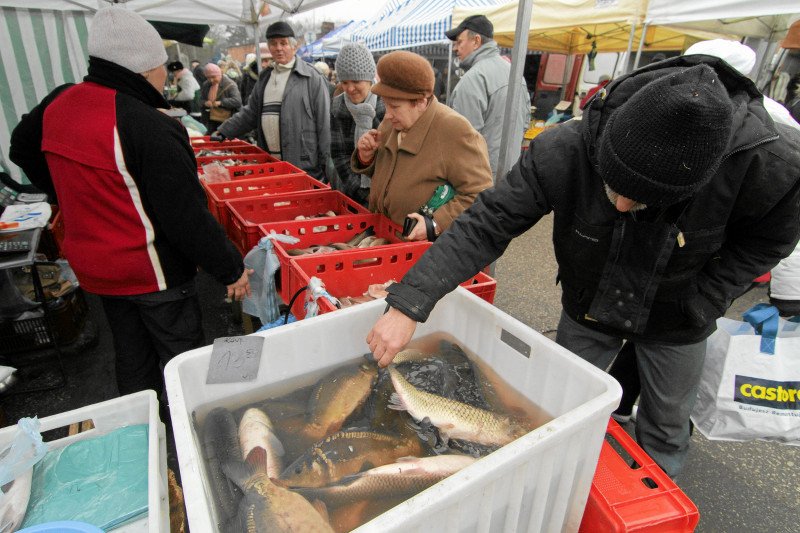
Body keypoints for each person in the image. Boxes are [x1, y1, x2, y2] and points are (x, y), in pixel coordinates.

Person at [366, 57, 800, 478]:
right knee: (561, 410)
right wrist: (408, 304)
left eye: (644, 199)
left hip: (681, 313)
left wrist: (707, 297)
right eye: (616, 189)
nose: (625, 205)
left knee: (667, 426)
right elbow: (486, 223)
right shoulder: (565, 148)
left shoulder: (771, 167)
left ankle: (652, 498)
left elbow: (770, 241)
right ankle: (563, 486)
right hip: (589, 302)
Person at [8, 6, 251, 420]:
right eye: (159, 66)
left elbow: (21, 149)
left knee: (132, 359)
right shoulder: (146, 123)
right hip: (153, 272)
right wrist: (231, 268)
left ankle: (142, 433)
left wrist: (69, 192)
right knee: (182, 364)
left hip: (98, 270)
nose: (164, 76)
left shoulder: (59, 102)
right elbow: (185, 216)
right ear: (141, 67)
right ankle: (192, 441)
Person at [608, 39, 800, 424]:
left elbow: (771, 240)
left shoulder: (774, 143)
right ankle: (622, 404)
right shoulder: (649, 109)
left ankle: (659, 427)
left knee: (671, 408)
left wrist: (707, 298)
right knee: (635, 351)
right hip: (650, 272)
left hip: (697, 278)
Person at [352, 51, 493, 241]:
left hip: (424, 251)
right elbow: (391, 173)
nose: (387, 114)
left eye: (394, 106)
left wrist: (435, 223)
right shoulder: (392, 123)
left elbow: (480, 193)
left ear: (420, 102)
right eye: (386, 105)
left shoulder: (455, 130)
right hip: (384, 237)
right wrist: (366, 157)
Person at [213, 21, 331, 180]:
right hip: (271, 164)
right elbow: (250, 113)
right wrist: (225, 130)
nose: (279, 48)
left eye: (284, 43)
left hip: (304, 166)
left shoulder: (312, 78)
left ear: (294, 47)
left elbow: (325, 124)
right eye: (274, 44)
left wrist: (327, 166)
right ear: (269, 48)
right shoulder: (265, 77)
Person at [445, 15, 530, 177]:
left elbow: (463, 139)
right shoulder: (514, 72)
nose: (455, 48)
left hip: (481, 176)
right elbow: (525, 122)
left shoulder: (473, 79)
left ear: (476, 41)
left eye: (459, 42)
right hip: (511, 171)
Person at [328, 43, 384, 207]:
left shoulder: (386, 106)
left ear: (369, 78)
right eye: (344, 82)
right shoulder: (338, 107)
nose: (350, 89)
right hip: (350, 194)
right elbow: (339, 156)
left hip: (384, 196)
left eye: (356, 81)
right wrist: (361, 193)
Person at [200, 62, 242, 132]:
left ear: (219, 74)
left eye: (213, 77)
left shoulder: (230, 85)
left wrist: (221, 103)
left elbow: (237, 101)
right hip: (210, 121)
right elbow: (201, 100)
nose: (211, 80)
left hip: (227, 121)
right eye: (208, 78)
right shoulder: (206, 85)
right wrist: (205, 103)